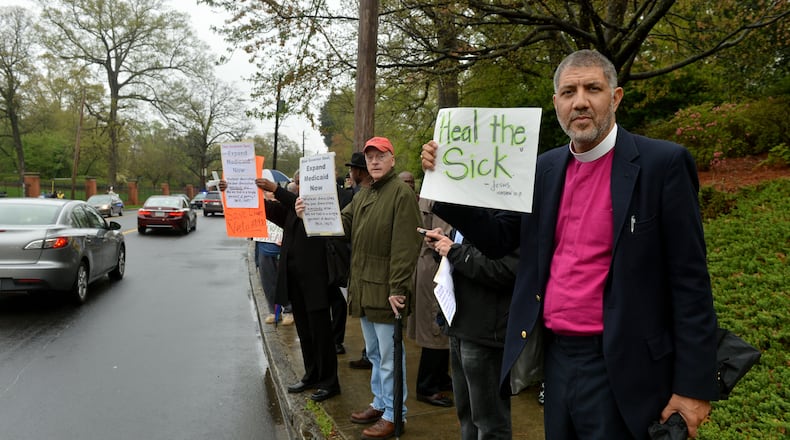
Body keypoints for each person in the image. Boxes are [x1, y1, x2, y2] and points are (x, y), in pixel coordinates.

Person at [420, 49, 718, 439]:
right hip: (557, 358)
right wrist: (445, 183)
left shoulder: (663, 164)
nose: (580, 101)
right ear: (556, 103)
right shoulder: (544, 169)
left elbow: (691, 282)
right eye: (568, 91)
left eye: (593, 88)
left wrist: (693, 388)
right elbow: (498, 238)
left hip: (626, 365)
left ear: (615, 97)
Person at [219, 172, 341, 403]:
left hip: (316, 282)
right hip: (295, 282)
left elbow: (287, 200)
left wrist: (275, 188)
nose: (300, 187)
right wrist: (233, 191)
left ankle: (329, 383)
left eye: (304, 182)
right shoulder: (291, 210)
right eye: (299, 183)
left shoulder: (322, 209)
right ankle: (312, 375)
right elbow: (262, 208)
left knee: (321, 334)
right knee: (304, 333)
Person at [337, 137, 422, 439]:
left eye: (380, 156)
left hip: (387, 291)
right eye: (370, 156)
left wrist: (398, 287)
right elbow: (342, 225)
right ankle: (380, 402)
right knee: (374, 353)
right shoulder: (363, 194)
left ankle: (394, 413)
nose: (374, 161)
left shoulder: (400, 193)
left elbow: (405, 246)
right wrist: (312, 211)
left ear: (392, 160)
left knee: (390, 356)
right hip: (364, 287)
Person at [424, 226, 518, 439]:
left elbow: (507, 269)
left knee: (490, 422)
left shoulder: (507, 207)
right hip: (460, 324)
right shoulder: (469, 206)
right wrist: (443, 245)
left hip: (484, 331)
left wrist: (455, 251)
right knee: (467, 417)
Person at [404, 173, 454, 408]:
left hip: (442, 265)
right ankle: (427, 387)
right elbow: (432, 233)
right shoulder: (436, 191)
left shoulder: (444, 188)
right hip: (434, 266)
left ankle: (440, 377)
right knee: (435, 327)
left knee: (444, 327)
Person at [345, 151, 375, 370]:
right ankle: (380, 401)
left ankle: (391, 404)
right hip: (361, 276)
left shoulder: (392, 195)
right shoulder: (358, 196)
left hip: (378, 282)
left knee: (385, 350)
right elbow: (343, 223)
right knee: (374, 346)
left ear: (357, 171)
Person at [253, 188, 293, 326]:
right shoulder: (260, 207)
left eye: (270, 190)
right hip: (264, 246)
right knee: (268, 282)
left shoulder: (284, 207)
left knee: (283, 281)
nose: (269, 193)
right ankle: (274, 312)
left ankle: (288, 311)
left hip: (281, 249)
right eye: (266, 191)